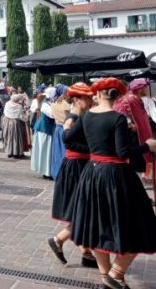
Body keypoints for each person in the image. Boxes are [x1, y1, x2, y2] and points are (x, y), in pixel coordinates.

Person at [67, 78, 156, 289]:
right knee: (141, 225)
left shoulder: (87, 115)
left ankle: (107, 275)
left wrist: (93, 149)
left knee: (98, 224)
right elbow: (123, 153)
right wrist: (147, 146)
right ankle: (115, 273)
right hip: (116, 176)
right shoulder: (118, 118)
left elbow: (68, 138)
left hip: (92, 174)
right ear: (118, 96)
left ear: (98, 94)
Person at [48, 82, 96, 268]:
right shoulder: (73, 117)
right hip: (76, 166)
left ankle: (87, 252)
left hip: (80, 164)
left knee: (84, 208)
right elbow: (68, 142)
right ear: (77, 99)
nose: (91, 100)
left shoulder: (81, 115)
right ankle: (59, 239)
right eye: (88, 98)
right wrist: (93, 149)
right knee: (84, 210)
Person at [31, 86, 56, 180]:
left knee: (48, 152)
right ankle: (46, 172)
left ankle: (48, 171)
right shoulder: (45, 104)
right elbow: (52, 114)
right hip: (44, 130)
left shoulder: (50, 103)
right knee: (45, 151)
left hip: (48, 130)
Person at [50, 85, 70, 179]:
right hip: (64, 128)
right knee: (64, 152)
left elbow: (54, 117)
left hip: (57, 128)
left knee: (57, 152)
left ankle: (57, 172)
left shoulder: (54, 104)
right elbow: (68, 118)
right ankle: (64, 173)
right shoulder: (65, 104)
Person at [2, 94, 28, 159]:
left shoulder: (7, 103)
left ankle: (9, 152)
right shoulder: (19, 106)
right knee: (16, 138)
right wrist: (27, 117)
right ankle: (17, 153)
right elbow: (21, 117)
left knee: (8, 137)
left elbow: (4, 112)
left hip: (7, 121)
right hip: (15, 122)